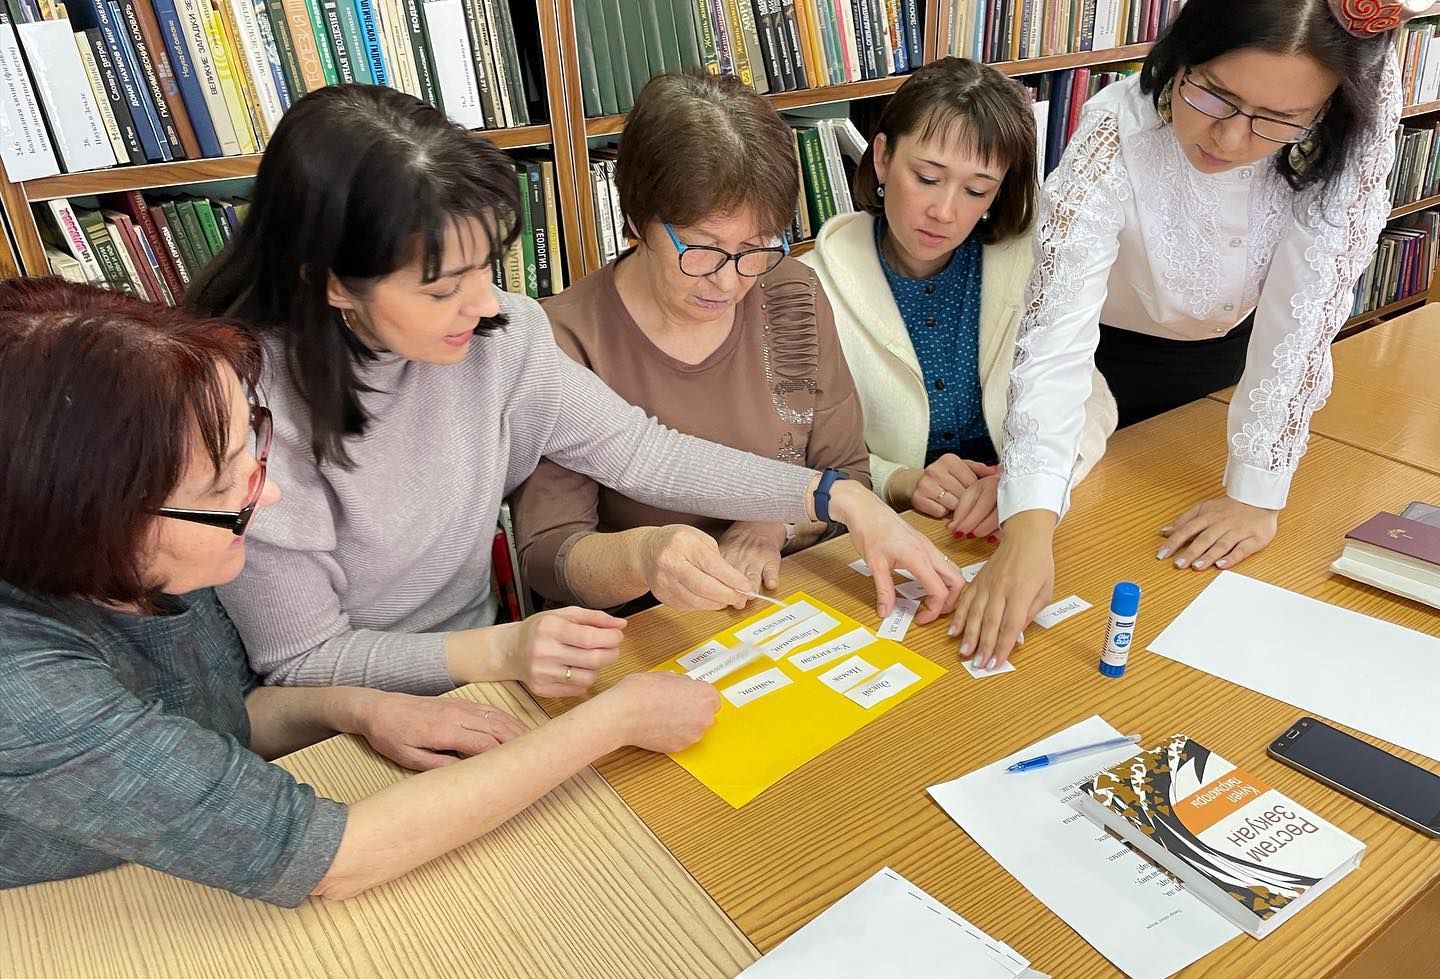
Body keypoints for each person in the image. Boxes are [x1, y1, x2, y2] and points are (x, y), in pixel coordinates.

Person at [188, 85, 963, 697]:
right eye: (443, 288)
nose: (488, 305)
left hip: (489, 676)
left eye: (488, 267)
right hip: (362, 707)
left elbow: (642, 451)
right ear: (331, 285)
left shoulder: (503, 338)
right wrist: (502, 649)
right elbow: (303, 660)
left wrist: (836, 497)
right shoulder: (240, 417)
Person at [0, 277, 720, 906]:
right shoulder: (26, 690)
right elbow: (333, 855)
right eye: (225, 485)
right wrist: (611, 722)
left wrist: (359, 707)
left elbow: (221, 713)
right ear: (95, 522)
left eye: (254, 450)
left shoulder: (148, 559)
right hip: (69, 929)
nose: (270, 492)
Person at [951, 0, 1414, 669]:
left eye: (1276, 122)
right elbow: (1053, 336)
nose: (1229, 140)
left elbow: (1305, 314)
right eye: (1215, 96)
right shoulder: (1117, 130)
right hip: (1105, 366)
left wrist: (1256, 494)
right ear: (1182, 54)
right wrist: (1029, 524)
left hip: (1237, 365)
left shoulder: (1344, 139)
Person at [512, 74, 870, 612]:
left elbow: (847, 475)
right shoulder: (562, 338)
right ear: (635, 219)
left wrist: (772, 520)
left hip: (787, 600)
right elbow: (548, 558)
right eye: (701, 249)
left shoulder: (790, 292)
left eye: (755, 247)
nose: (728, 282)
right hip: (647, 629)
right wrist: (644, 558)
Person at [802, 57, 1116, 541]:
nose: (944, 211)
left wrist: (1029, 485)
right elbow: (798, 453)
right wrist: (899, 482)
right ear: (882, 157)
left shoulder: (1035, 262)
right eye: (927, 178)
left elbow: (1092, 403)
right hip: (889, 529)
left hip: (1016, 518)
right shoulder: (809, 286)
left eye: (976, 190)